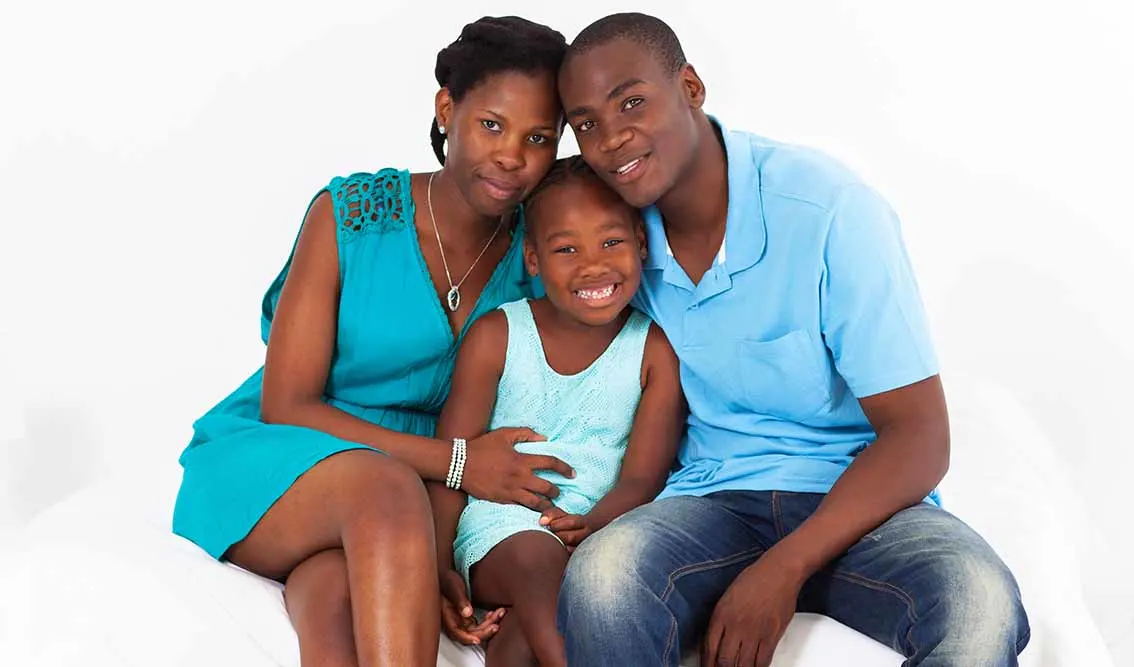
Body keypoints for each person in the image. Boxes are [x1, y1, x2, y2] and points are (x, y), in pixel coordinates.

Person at [553, 12, 1031, 667]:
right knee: (603, 577)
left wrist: (782, 570)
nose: (612, 138)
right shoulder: (619, 241)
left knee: (981, 605)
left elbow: (921, 437)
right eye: (586, 124)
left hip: (860, 505)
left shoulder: (828, 210)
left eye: (632, 101)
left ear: (690, 86)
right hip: (712, 501)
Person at [170, 16, 576, 667]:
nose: (512, 155)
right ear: (447, 109)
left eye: (538, 138)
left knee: (333, 614)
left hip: (403, 505)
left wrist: (439, 547)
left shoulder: (543, 245)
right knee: (385, 492)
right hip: (283, 459)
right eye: (492, 125)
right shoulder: (350, 216)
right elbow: (288, 404)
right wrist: (455, 461)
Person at [430, 156, 686, 667]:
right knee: (538, 560)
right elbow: (451, 464)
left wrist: (593, 524)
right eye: (566, 248)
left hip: (597, 527)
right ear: (532, 259)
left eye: (611, 242)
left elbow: (642, 479)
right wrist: (438, 566)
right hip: (501, 530)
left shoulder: (654, 349)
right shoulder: (498, 336)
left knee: (524, 636)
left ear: (641, 243)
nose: (593, 265)